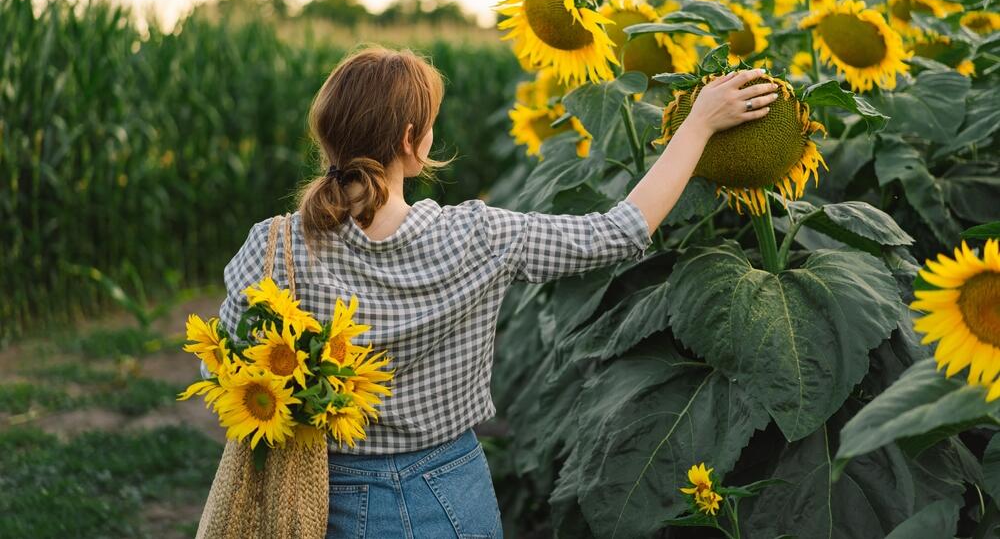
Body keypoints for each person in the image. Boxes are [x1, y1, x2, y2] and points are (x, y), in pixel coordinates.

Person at [206, 45, 779, 538]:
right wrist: (697, 125)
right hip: (450, 491)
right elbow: (621, 231)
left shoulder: (273, 247)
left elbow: (224, 375)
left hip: (321, 497)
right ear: (414, 141)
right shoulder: (478, 236)